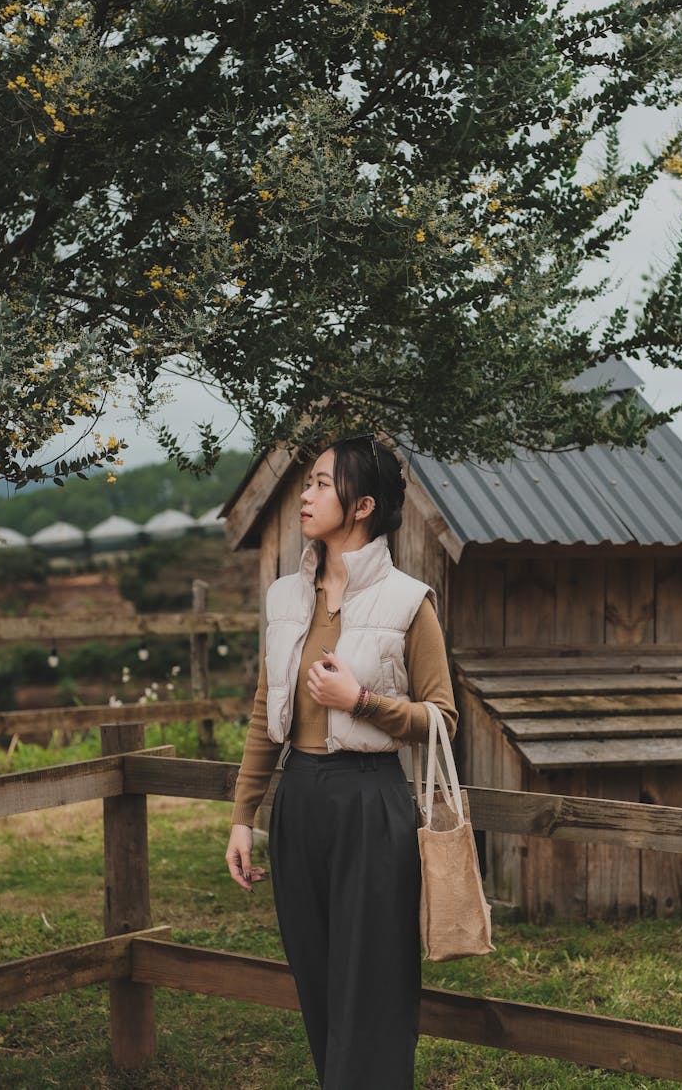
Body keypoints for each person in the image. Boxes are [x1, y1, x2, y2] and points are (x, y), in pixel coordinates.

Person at [226, 434, 458, 1090]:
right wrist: (244, 816)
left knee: (372, 987)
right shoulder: (283, 598)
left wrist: (360, 701)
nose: (305, 493)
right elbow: (263, 709)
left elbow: (442, 718)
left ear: (360, 505)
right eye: (308, 482)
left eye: (321, 484)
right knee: (318, 978)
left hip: (370, 802)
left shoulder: (410, 602)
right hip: (298, 799)